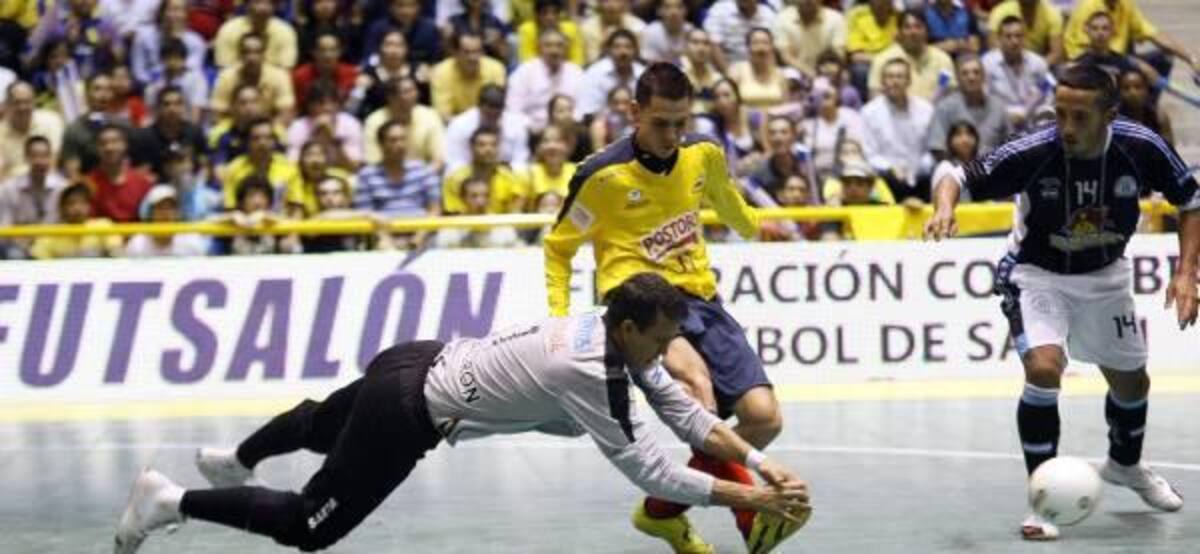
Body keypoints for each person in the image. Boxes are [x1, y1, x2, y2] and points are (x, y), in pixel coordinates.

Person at [113, 273, 812, 553]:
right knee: (308, 526)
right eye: (661, 340)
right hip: (409, 410)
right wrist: (748, 497)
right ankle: (168, 500)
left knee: (323, 424)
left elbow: (683, 416)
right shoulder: (589, 370)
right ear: (631, 329)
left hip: (414, 359)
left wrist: (757, 460)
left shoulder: (615, 333)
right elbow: (652, 468)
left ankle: (239, 457)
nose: (668, 352)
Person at [924, 63, 1199, 541]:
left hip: (1106, 276)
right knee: (1045, 368)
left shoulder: (1141, 146)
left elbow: (1191, 203)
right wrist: (945, 206)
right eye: (1060, 114)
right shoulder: (1036, 149)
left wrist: (1186, 272)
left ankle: (1125, 465)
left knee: (1133, 383)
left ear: (1109, 114)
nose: (1067, 128)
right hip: (1037, 275)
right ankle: (1042, 500)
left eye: (1080, 117)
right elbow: (956, 174)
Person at [544, 63, 799, 554]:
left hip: (700, 296)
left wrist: (756, 226)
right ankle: (754, 522)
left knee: (764, 417)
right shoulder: (600, 175)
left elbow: (726, 203)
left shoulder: (703, 153)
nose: (672, 135)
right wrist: (559, 318)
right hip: (636, 299)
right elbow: (559, 247)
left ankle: (661, 514)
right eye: (661, 123)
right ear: (634, 112)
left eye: (681, 122)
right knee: (697, 388)